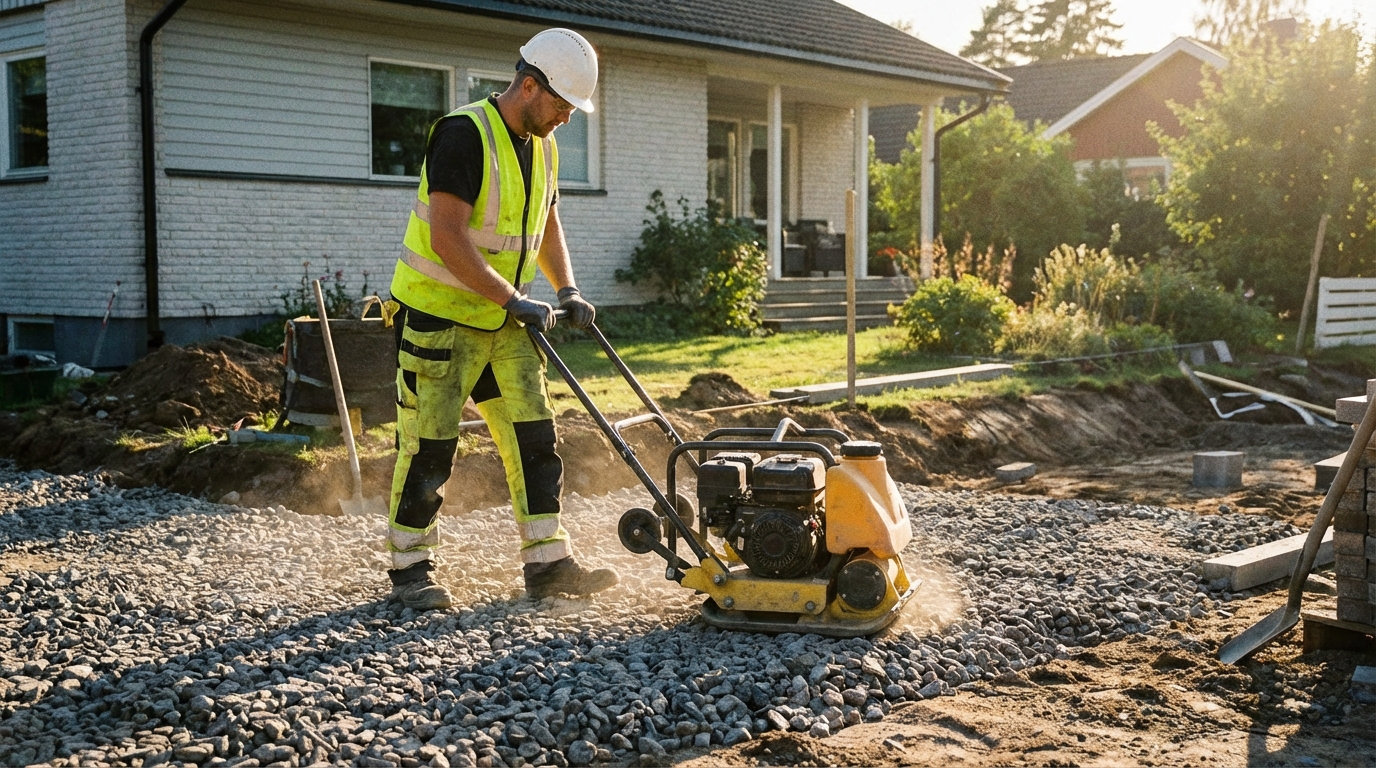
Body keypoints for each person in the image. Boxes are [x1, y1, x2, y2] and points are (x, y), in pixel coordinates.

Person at [383, 28, 617, 610]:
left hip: (505, 322)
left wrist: (566, 288)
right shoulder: (464, 134)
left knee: (535, 438)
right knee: (430, 446)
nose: (567, 118)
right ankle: (410, 569)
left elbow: (547, 223)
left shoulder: (543, 144)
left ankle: (547, 564)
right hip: (440, 320)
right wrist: (512, 298)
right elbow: (447, 237)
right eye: (562, 104)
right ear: (529, 86)